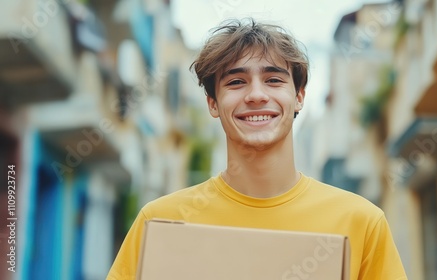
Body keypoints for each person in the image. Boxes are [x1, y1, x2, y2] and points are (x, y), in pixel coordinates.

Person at [107, 18, 407, 280]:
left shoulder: (362, 222)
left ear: (299, 97)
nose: (256, 95)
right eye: (236, 82)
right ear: (213, 103)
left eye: (273, 80)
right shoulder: (160, 222)